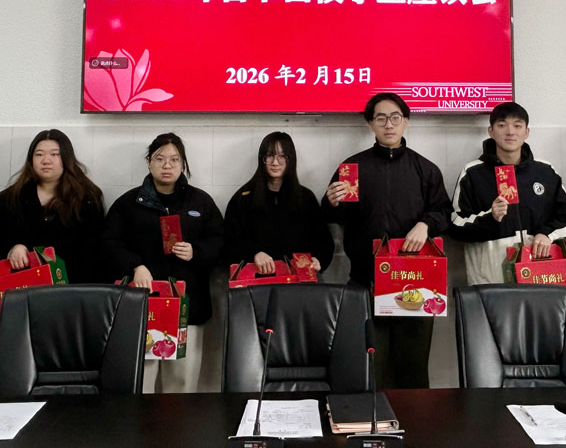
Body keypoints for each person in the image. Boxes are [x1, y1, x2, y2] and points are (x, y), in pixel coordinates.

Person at [322, 93, 451, 389]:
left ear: (406, 121)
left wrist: (425, 224)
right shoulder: (352, 168)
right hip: (365, 280)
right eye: (380, 118)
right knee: (370, 366)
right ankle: (371, 417)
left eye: (395, 118)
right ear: (370, 124)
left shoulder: (425, 169)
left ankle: (415, 418)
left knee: (413, 367)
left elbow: (444, 212)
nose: (388, 124)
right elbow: (334, 216)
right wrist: (331, 201)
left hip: (416, 282)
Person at [102, 132, 223, 393]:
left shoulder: (200, 202)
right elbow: (109, 243)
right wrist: (135, 266)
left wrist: (196, 251)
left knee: (181, 385)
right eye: (159, 159)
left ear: (183, 164)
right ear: (148, 162)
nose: (167, 165)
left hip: (187, 308)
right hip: (143, 307)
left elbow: (221, 241)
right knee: (140, 382)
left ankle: (178, 423)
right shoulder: (127, 204)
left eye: (174, 159)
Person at [449, 102, 566, 285]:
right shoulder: (473, 173)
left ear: (527, 132)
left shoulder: (545, 171)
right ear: (491, 131)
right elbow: (455, 226)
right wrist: (490, 218)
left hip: (539, 277)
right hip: (489, 282)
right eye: (502, 125)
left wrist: (547, 235)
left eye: (517, 125)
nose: (510, 132)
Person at [0, 129, 104, 283]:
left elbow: (95, 251)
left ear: (67, 158)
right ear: (31, 160)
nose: (46, 160)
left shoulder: (87, 199)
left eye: (55, 154)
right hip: (22, 288)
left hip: (72, 288)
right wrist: (12, 248)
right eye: (39, 154)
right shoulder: (8, 200)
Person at [224, 131, 334, 274]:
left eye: (282, 156)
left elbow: (323, 240)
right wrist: (253, 254)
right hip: (256, 280)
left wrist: (318, 259)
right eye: (269, 156)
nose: (275, 162)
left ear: (291, 159)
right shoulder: (243, 198)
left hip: (298, 280)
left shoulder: (305, 198)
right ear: (262, 159)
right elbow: (228, 243)